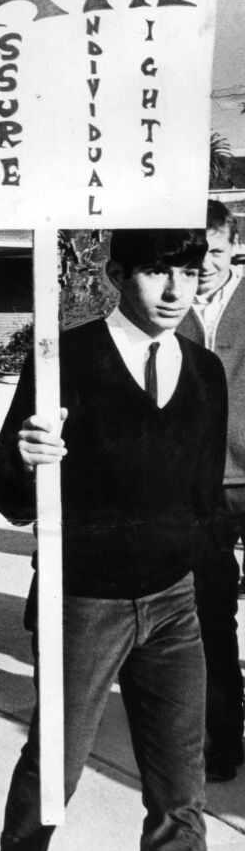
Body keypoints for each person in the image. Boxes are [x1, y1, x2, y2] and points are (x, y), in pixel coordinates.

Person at [0, 227, 243, 851]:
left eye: (190, 270)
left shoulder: (205, 371)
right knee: (54, 769)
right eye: (158, 268)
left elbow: (205, 497)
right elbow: (5, 493)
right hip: (85, 601)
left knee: (181, 797)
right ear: (116, 271)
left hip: (175, 607)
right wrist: (30, 459)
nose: (176, 286)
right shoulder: (67, 359)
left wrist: (208, 587)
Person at [177, 199, 245, 783]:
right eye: (197, 254)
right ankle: (223, 741)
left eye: (217, 253)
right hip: (201, 486)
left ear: (233, 245)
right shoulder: (168, 310)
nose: (206, 266)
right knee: (211, 616)